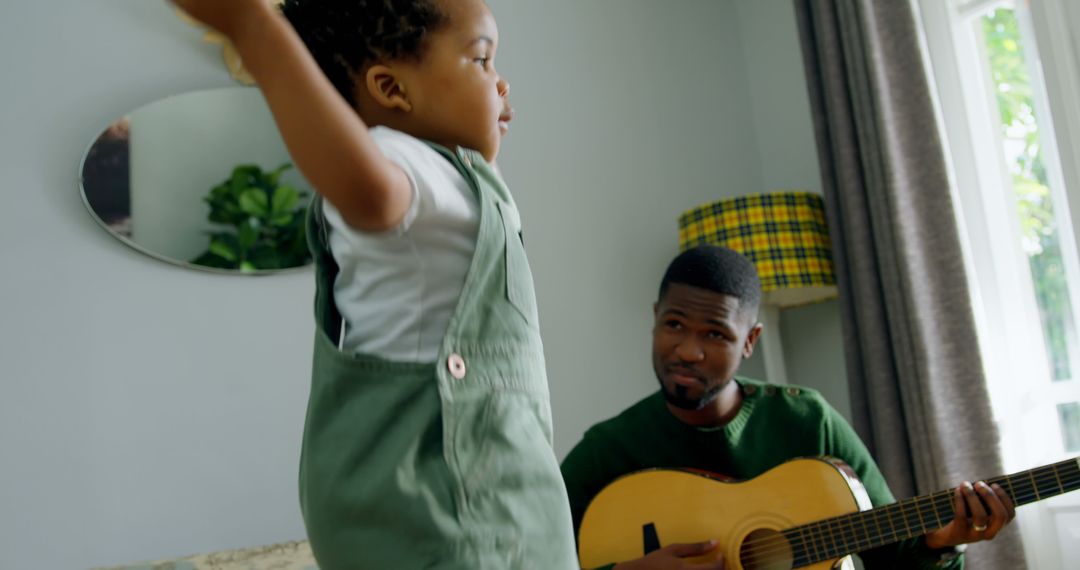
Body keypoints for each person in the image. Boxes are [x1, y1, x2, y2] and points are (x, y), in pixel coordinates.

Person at [169, 0, 577, 567]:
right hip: (439, 514)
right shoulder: (404, 160)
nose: (501, 81)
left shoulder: (461, 175)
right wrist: (254, 28)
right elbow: (371, 192)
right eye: (481, 59)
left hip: (499, 507)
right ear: (391, 88)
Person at [561, 245, 1016, 569]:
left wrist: (945, 544)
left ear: (751, 342)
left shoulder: (807, 421)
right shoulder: (607, 450)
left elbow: (895, 556)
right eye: (674, 324)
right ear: (655, 317)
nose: (687, 351)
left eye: (715, 334)